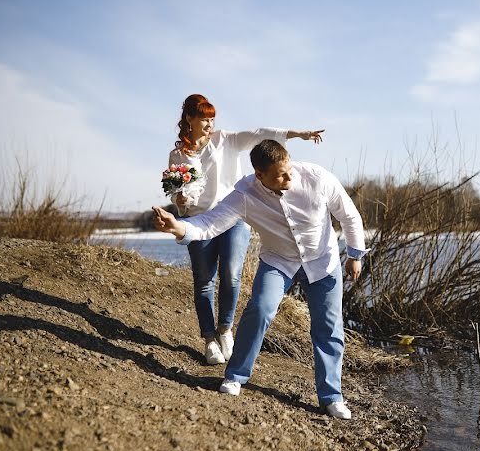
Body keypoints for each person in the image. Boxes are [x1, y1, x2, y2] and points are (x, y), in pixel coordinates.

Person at [153, 140, 366, 420]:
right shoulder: (244, 194)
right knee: (260, 309)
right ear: (260, 175)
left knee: (328, 327)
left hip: (322, 261)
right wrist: (178, 227)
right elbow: (210, 223)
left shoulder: (317, 178)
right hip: (278, 261)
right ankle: (235, 377)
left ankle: (331, 397)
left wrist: (355, 254)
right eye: (280, 174)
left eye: (289, 169)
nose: (289, 177)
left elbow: (349, 216)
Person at [168, 94, 324, 367]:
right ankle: (209, 340)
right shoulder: (178, 155)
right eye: (204, 118)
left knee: (231, 274)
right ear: (189, 119)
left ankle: (225, 329)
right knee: (204, 280)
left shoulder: (224, 139)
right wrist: (179, 201)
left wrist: (295, 134)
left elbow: (257, 134)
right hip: (198, 219)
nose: (209, 123)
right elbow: (177, 193)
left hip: (233, 215)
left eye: (212, 118)